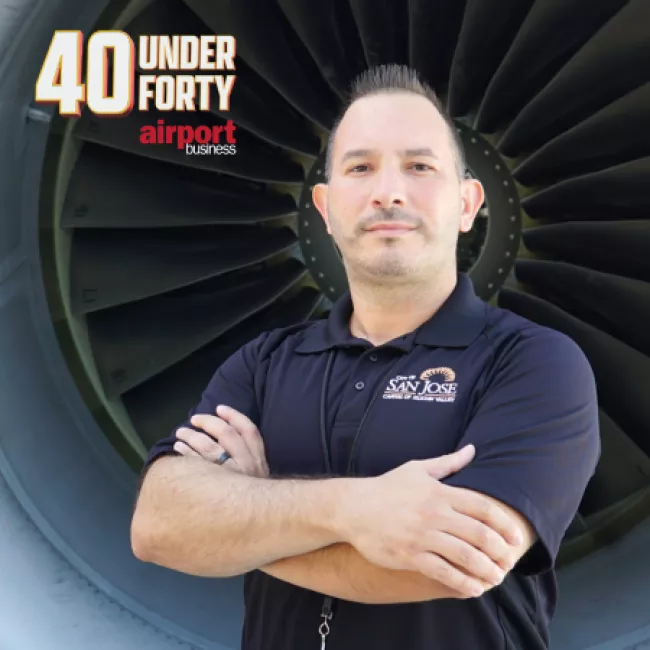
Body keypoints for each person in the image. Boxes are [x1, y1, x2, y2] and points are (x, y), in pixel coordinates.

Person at [130, 64, 601, 650]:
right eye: (360, 167)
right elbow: (159, 526)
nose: (388, 191)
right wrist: (354, 511)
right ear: (325, 209)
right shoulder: (263, 363)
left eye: (419, 166)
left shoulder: (536, 363)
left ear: (468, 203)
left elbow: (456, 564)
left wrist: (248, 521)